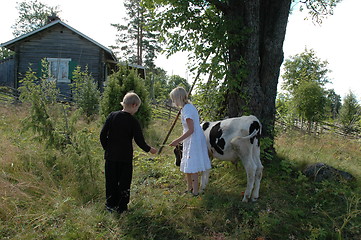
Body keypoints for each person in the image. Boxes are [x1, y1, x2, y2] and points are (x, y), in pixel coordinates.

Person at [100, 92, 157, 214]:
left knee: (111, 181)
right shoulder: (133, 121)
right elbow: (139, 141)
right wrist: (149, 149)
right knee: (124, 182)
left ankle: (110, 205)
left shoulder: (112, 116)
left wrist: (107, 149)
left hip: (111, 157)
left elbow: (102, 135)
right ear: (134, 105)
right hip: (125, 158)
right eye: (137, 107)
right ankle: (122, 207)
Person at [168, 87, 211, 196]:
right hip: (190, 138)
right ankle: (189, 188)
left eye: (174, 99)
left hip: (194, 139)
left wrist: (177, 140)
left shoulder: (187, 109)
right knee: (188, 164)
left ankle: (195, 191)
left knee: (193, 165)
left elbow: (191, 130)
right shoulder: (186, 108)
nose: (174, 102)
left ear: (179, 98)